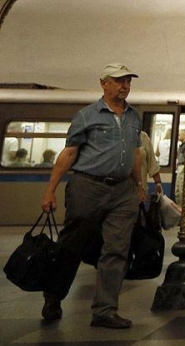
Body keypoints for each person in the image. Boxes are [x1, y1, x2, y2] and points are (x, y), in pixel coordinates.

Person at [40, 63, 146, 328]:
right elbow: (69, 154)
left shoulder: (134, 117)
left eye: (128, 81)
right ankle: (53, 296)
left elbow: (135, 154)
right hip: (88, 187)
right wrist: (50, 190)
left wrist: (139, 185)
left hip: (123, 191)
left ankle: (105, 311)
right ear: (104, 83)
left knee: (117, 250)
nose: (125, 86)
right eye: (119, 81)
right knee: (71, 245)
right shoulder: (87, 116)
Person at [139, 131, 163, 197]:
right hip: (119, 191)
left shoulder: (143, 137)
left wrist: (158, 183)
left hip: (140, 190)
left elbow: (152, 162)